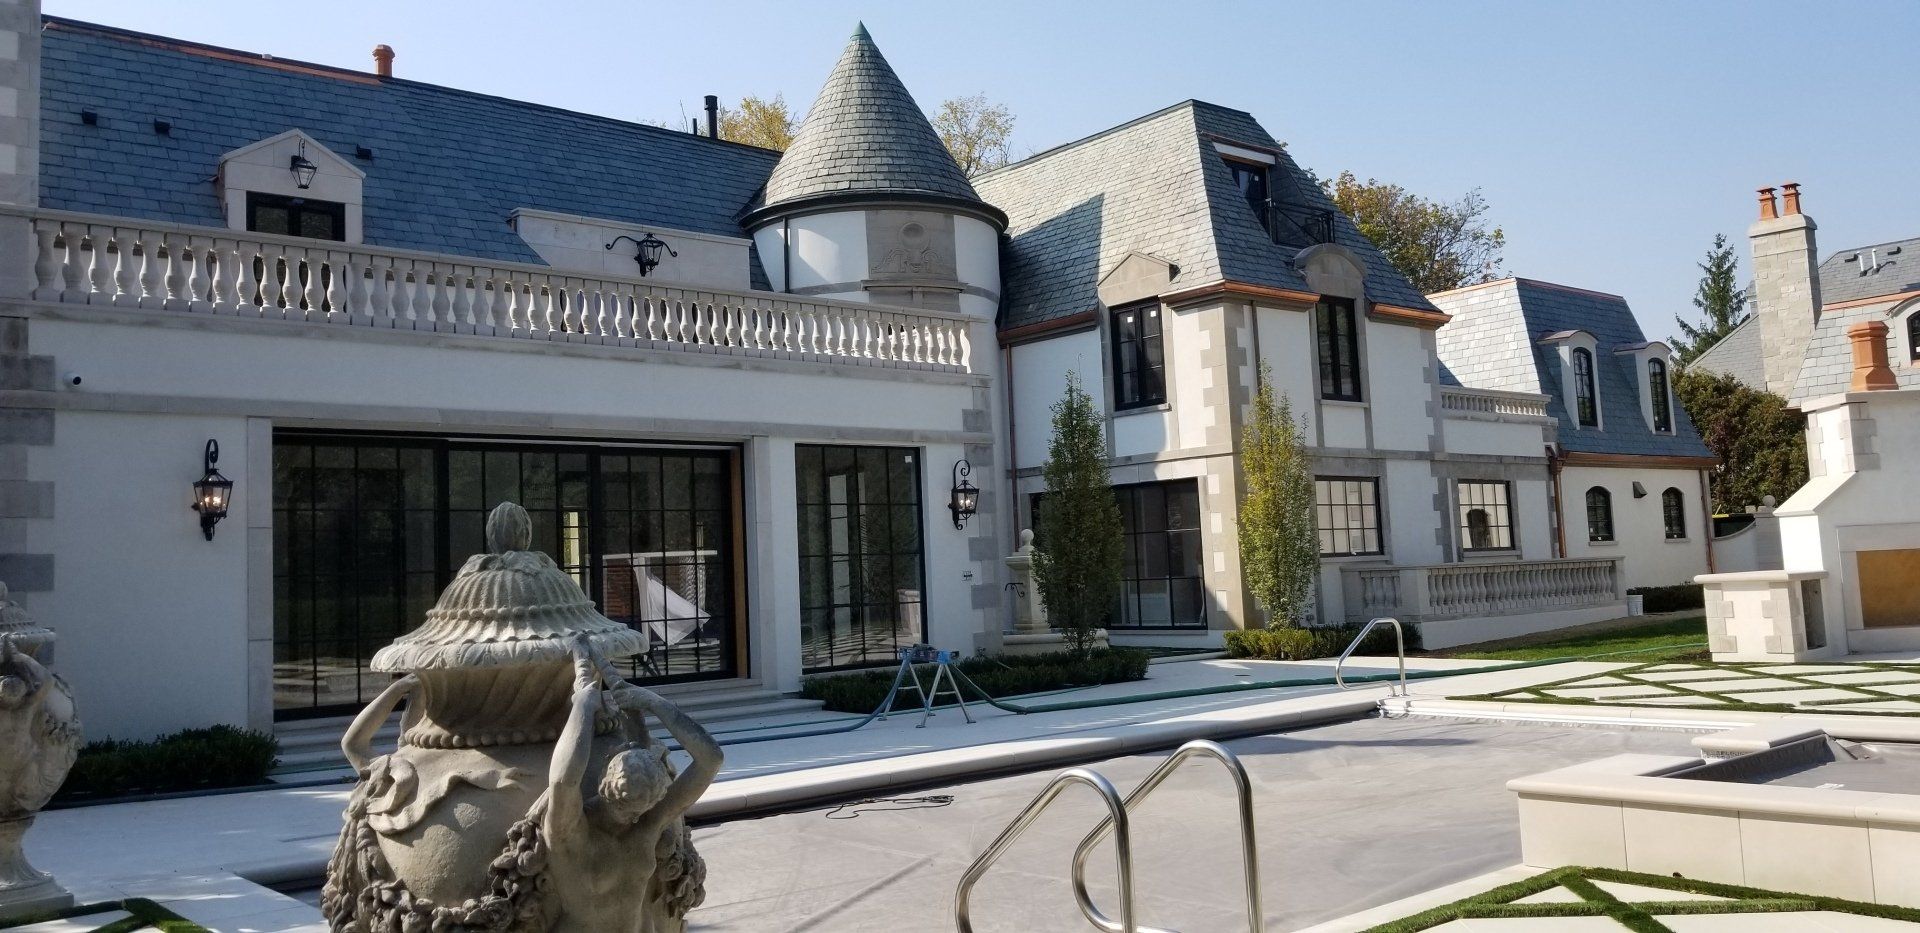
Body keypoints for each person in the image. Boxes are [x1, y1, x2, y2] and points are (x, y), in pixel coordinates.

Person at [542, 635, 722, 932]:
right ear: (604, 785)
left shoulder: (644, 823)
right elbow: (563, 780)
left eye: (642, 808)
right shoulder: (570, 831)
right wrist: (583, 705)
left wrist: (653, 702)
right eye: (625, 808)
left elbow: (710, 761)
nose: (633, 816)